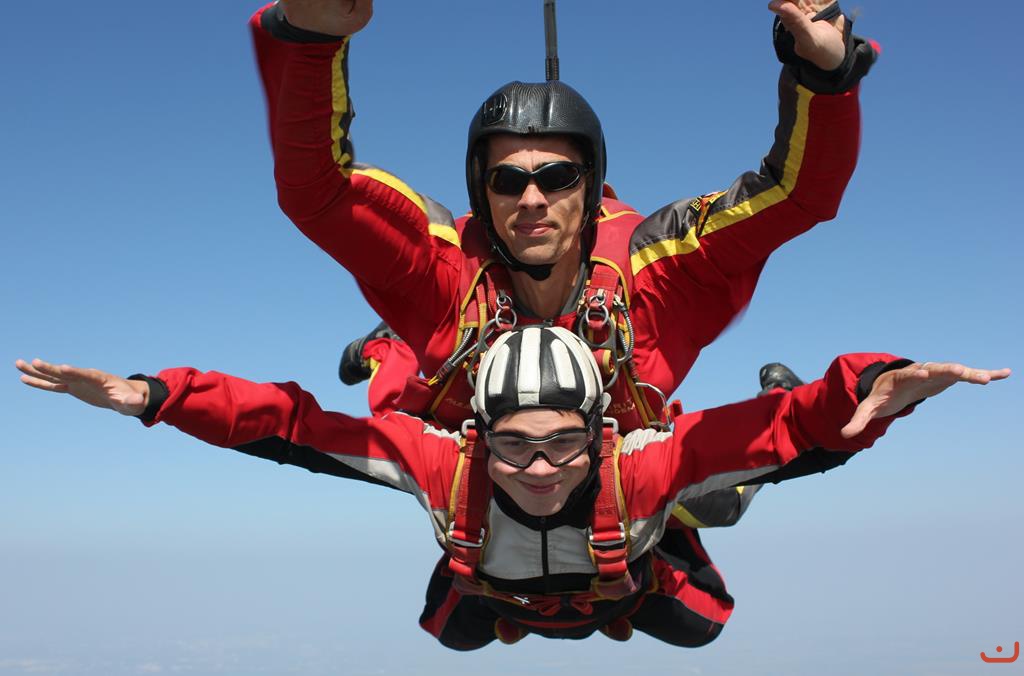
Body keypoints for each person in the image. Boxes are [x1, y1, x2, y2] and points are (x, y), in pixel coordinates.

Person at [14, 329, 1009, 649]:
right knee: (447, 627)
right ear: (478, 434)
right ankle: (391, 345)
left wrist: (877, 388)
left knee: (708, 604)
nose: (539, 468)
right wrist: (153, 397)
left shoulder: (638, 462)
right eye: (515, 447)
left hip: (626, 570)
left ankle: (690, 529)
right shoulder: (445, 462)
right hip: (499, 580)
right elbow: (292, 427)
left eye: (565, 444)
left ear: (600, 431)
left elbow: (791, 433)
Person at [253, 0, 880, 436]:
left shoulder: (659, 268)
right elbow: (318, 195)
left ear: (592, 186)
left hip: (621, 464)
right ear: (480, 193)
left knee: (710, 516)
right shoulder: (444, 269)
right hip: (478, 462)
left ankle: (778, 403)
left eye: (557, 178)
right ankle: (382, 346)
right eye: (506, 181)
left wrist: (825, 75)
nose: (532, 199)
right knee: (399, 410)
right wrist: (311, 39)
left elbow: (796, 196)